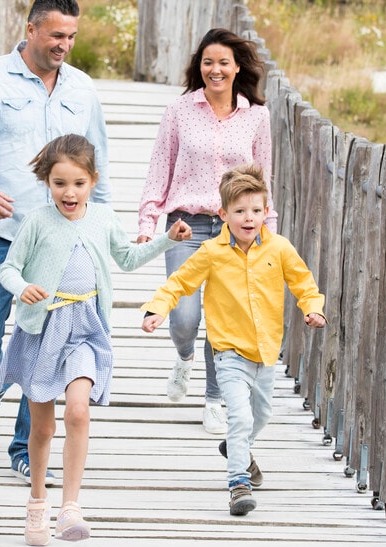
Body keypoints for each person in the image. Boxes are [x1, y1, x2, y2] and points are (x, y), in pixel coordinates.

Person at [0, 0, 111, 486]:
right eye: (56, 35)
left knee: (44, 348)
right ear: (31, 29)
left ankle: (23, 448)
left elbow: (97, 159)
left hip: (62, 244)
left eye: (71, 36)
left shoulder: (82, 88)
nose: (64, 45)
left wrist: (107, 225)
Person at [0, 134, 191, 545]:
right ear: (47, 182)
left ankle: (70, 507)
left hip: (86, 327)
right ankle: (37, 502)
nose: (70, 192)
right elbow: (8, 269)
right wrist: (23, 287)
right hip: (43, 329)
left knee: (78, 412)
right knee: (43, 427)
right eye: (60, 183)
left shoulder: (102, 219)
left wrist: (167, 239)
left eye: (79, 183)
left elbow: (128, 258)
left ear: (93, 181)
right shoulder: (37, 222)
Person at [140, 164, 325, 517]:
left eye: (256, 211)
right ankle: (238, 483)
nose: (249, 218)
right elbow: (179, 283)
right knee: (238, 416)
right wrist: (157, 309)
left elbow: (304, 284)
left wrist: (312, 307)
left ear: (266, 212)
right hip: (228, 352)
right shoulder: (211, 252)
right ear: (224, 214)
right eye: (240, 211)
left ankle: (237, 448)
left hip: (267, 351)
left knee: (261, 414)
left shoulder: (280, 249)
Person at [136, 28, 277, 435]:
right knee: (184, 316)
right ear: (200, 67)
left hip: (237, 231)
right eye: (208, 62)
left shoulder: (257, 116)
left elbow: (264, 179)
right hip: (186, 223)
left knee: (221, 320)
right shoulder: (179, 110)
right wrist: (148, 222)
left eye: (223, 63)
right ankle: (183, 359)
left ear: (237, 69)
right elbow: (160, 167)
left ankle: (215, 398)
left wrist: (266, 231)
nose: (215, 70)